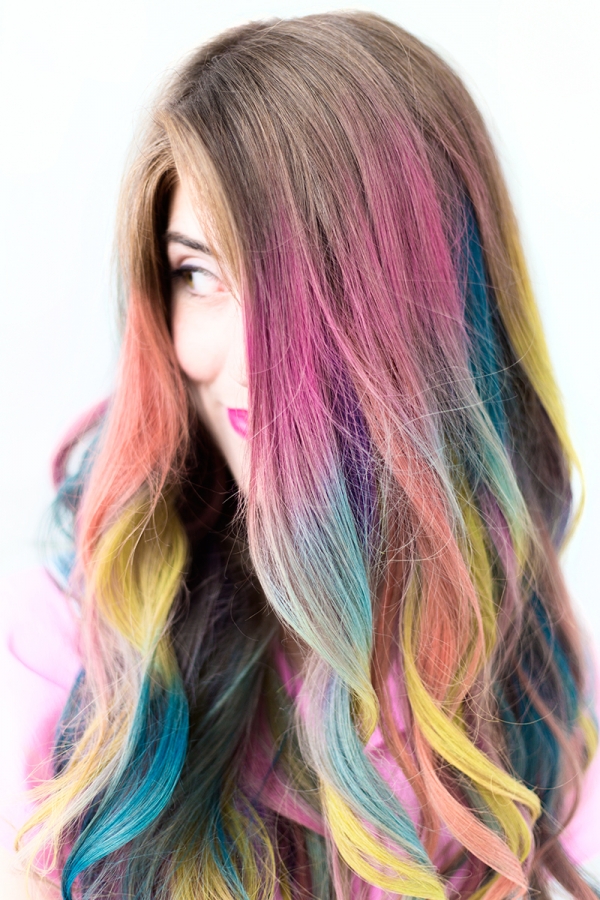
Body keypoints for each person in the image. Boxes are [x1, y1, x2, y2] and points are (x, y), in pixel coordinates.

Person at [1, 10, 599, 900]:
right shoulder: (91, 624)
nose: (248, 362)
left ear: (424, 317)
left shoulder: (525, 666)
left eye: (298, 292)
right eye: (198, 274)